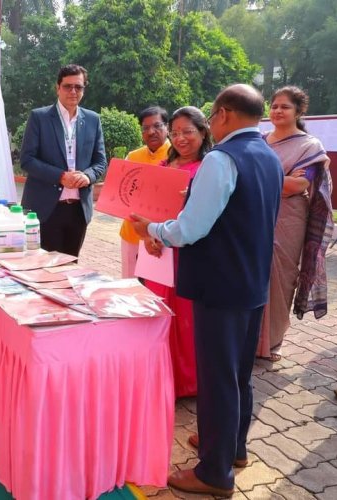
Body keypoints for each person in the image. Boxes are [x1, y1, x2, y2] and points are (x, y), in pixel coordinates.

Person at [131, 84, 283, 497]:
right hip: (251, 283)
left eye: (212, 116)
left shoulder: (221, 158)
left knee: (217, 377)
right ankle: (232, 447)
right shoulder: (269, 156)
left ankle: (214, 474)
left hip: (219, 284)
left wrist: (154, 229)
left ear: (223, 115)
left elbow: (192, 228)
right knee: (238, 374)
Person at [256, 86, 333, 361]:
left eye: (284, 107)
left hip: (288, 220)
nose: (277, 111)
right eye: (274, 105)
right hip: (255, 216)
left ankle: (271, 341)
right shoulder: (260, 140)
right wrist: (281, 178)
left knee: (281, 277)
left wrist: (263, 179)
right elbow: (282, 183)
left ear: (299, 111)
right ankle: (250, 340)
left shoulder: (309, 146)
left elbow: (298, 186)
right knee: (252, 274)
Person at [143, 106, 212, 398]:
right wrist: (148, 236)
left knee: (186, 319)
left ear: (203, 131)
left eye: (188, 131)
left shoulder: (210, 168)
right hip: (158, 254)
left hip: (189, 255)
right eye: (175, 132)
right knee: (157, 313)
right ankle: (158, 374)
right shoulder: (163, 166)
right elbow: (146, 208)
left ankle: (186, 381)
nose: (180, 138)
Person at [20, 64, 107, 257]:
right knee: (42, 270)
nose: (73, 91)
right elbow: (27, 160)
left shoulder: (93, 120)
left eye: (79, 86)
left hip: (78, 211)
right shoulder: (39, 117)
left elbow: (100, 161)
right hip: (45, 209)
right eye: (68, 86)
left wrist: (87, 176)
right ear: (57, 88)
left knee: (70, 268)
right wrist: (60, 176)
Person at [120, 106, 170, 277]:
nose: (151, 132)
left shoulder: (177, 158)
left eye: (157, 126)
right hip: (131, 235)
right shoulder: (132, 157)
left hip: (160, 239)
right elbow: (121, 198)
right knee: (128, 286)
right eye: (146, 128)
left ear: (167, 127)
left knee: (155, 293)